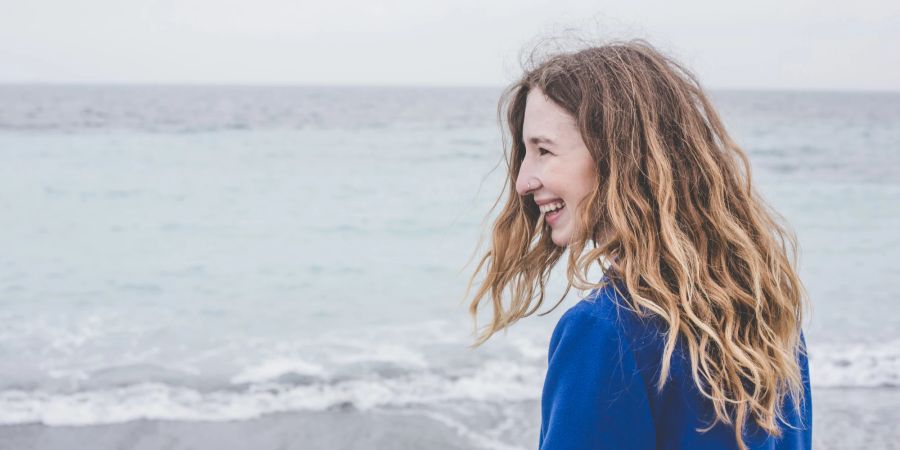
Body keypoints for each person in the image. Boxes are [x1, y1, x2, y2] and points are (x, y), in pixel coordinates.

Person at [464, 39, 812, 450]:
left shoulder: (603, 331)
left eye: (543, 150)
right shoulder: (763, 308)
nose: (523, 181)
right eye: (525, 153)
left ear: (617, 155)